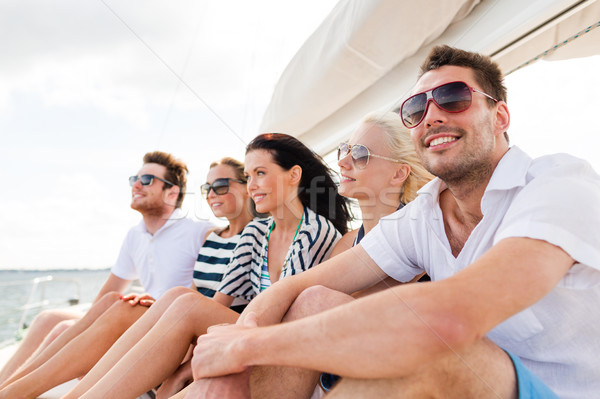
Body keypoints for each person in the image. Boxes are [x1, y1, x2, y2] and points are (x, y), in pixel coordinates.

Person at [185, 45, 600, 399]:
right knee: (312, 300)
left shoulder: (557, 183)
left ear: (500, 116)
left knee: (438, 349)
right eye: (416, 108)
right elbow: (297, 285)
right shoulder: (425, 212)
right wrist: (239, 343)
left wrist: (247, 347)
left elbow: (449, 317)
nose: (432, 116)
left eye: (454, 97)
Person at [59, 133, 351, 399]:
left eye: (261, 173)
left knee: (185, 303)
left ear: (294, 175)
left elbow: (285, 316)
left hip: (285, 339)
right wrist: (183, 363)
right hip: (252, 328)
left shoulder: (315, 231)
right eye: (248, 176)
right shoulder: (257, 231)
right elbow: (219, 301)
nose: (252, 186)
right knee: (179, 298)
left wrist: (186, 370)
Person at [0, 151, 213, 397]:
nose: (136, 185)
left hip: (162, 320)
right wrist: (89, 327)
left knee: (64, 328)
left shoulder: (198, 232)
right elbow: (109, 290)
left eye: (147, 180)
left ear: (172, 192)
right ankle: (5, 385)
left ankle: (16, 391)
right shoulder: (136, 234)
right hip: (135, 309)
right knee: (48, 318)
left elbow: (206, 293)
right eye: (135, 178)